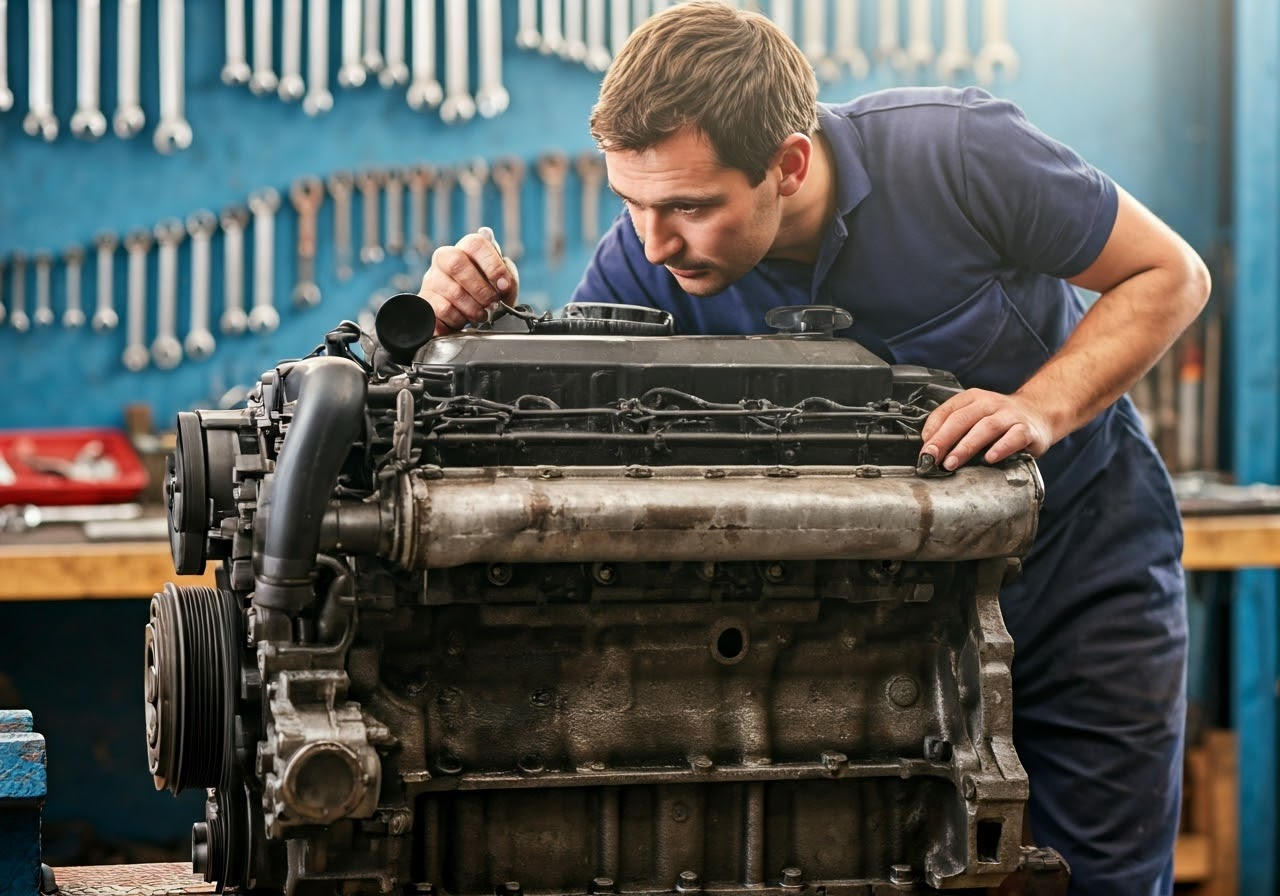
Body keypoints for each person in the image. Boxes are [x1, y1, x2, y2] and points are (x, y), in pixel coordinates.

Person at [417, 3, 1211, 893]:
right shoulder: (646, 263)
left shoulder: (958, 152)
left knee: (1097, 875)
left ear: (788, 165)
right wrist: (475, 332)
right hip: (857, 628)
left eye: (689, 205)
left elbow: (1170, 273)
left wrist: (1039, 406)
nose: (653, 241)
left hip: (1074, 577)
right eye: (631, 204)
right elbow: (571, 436)